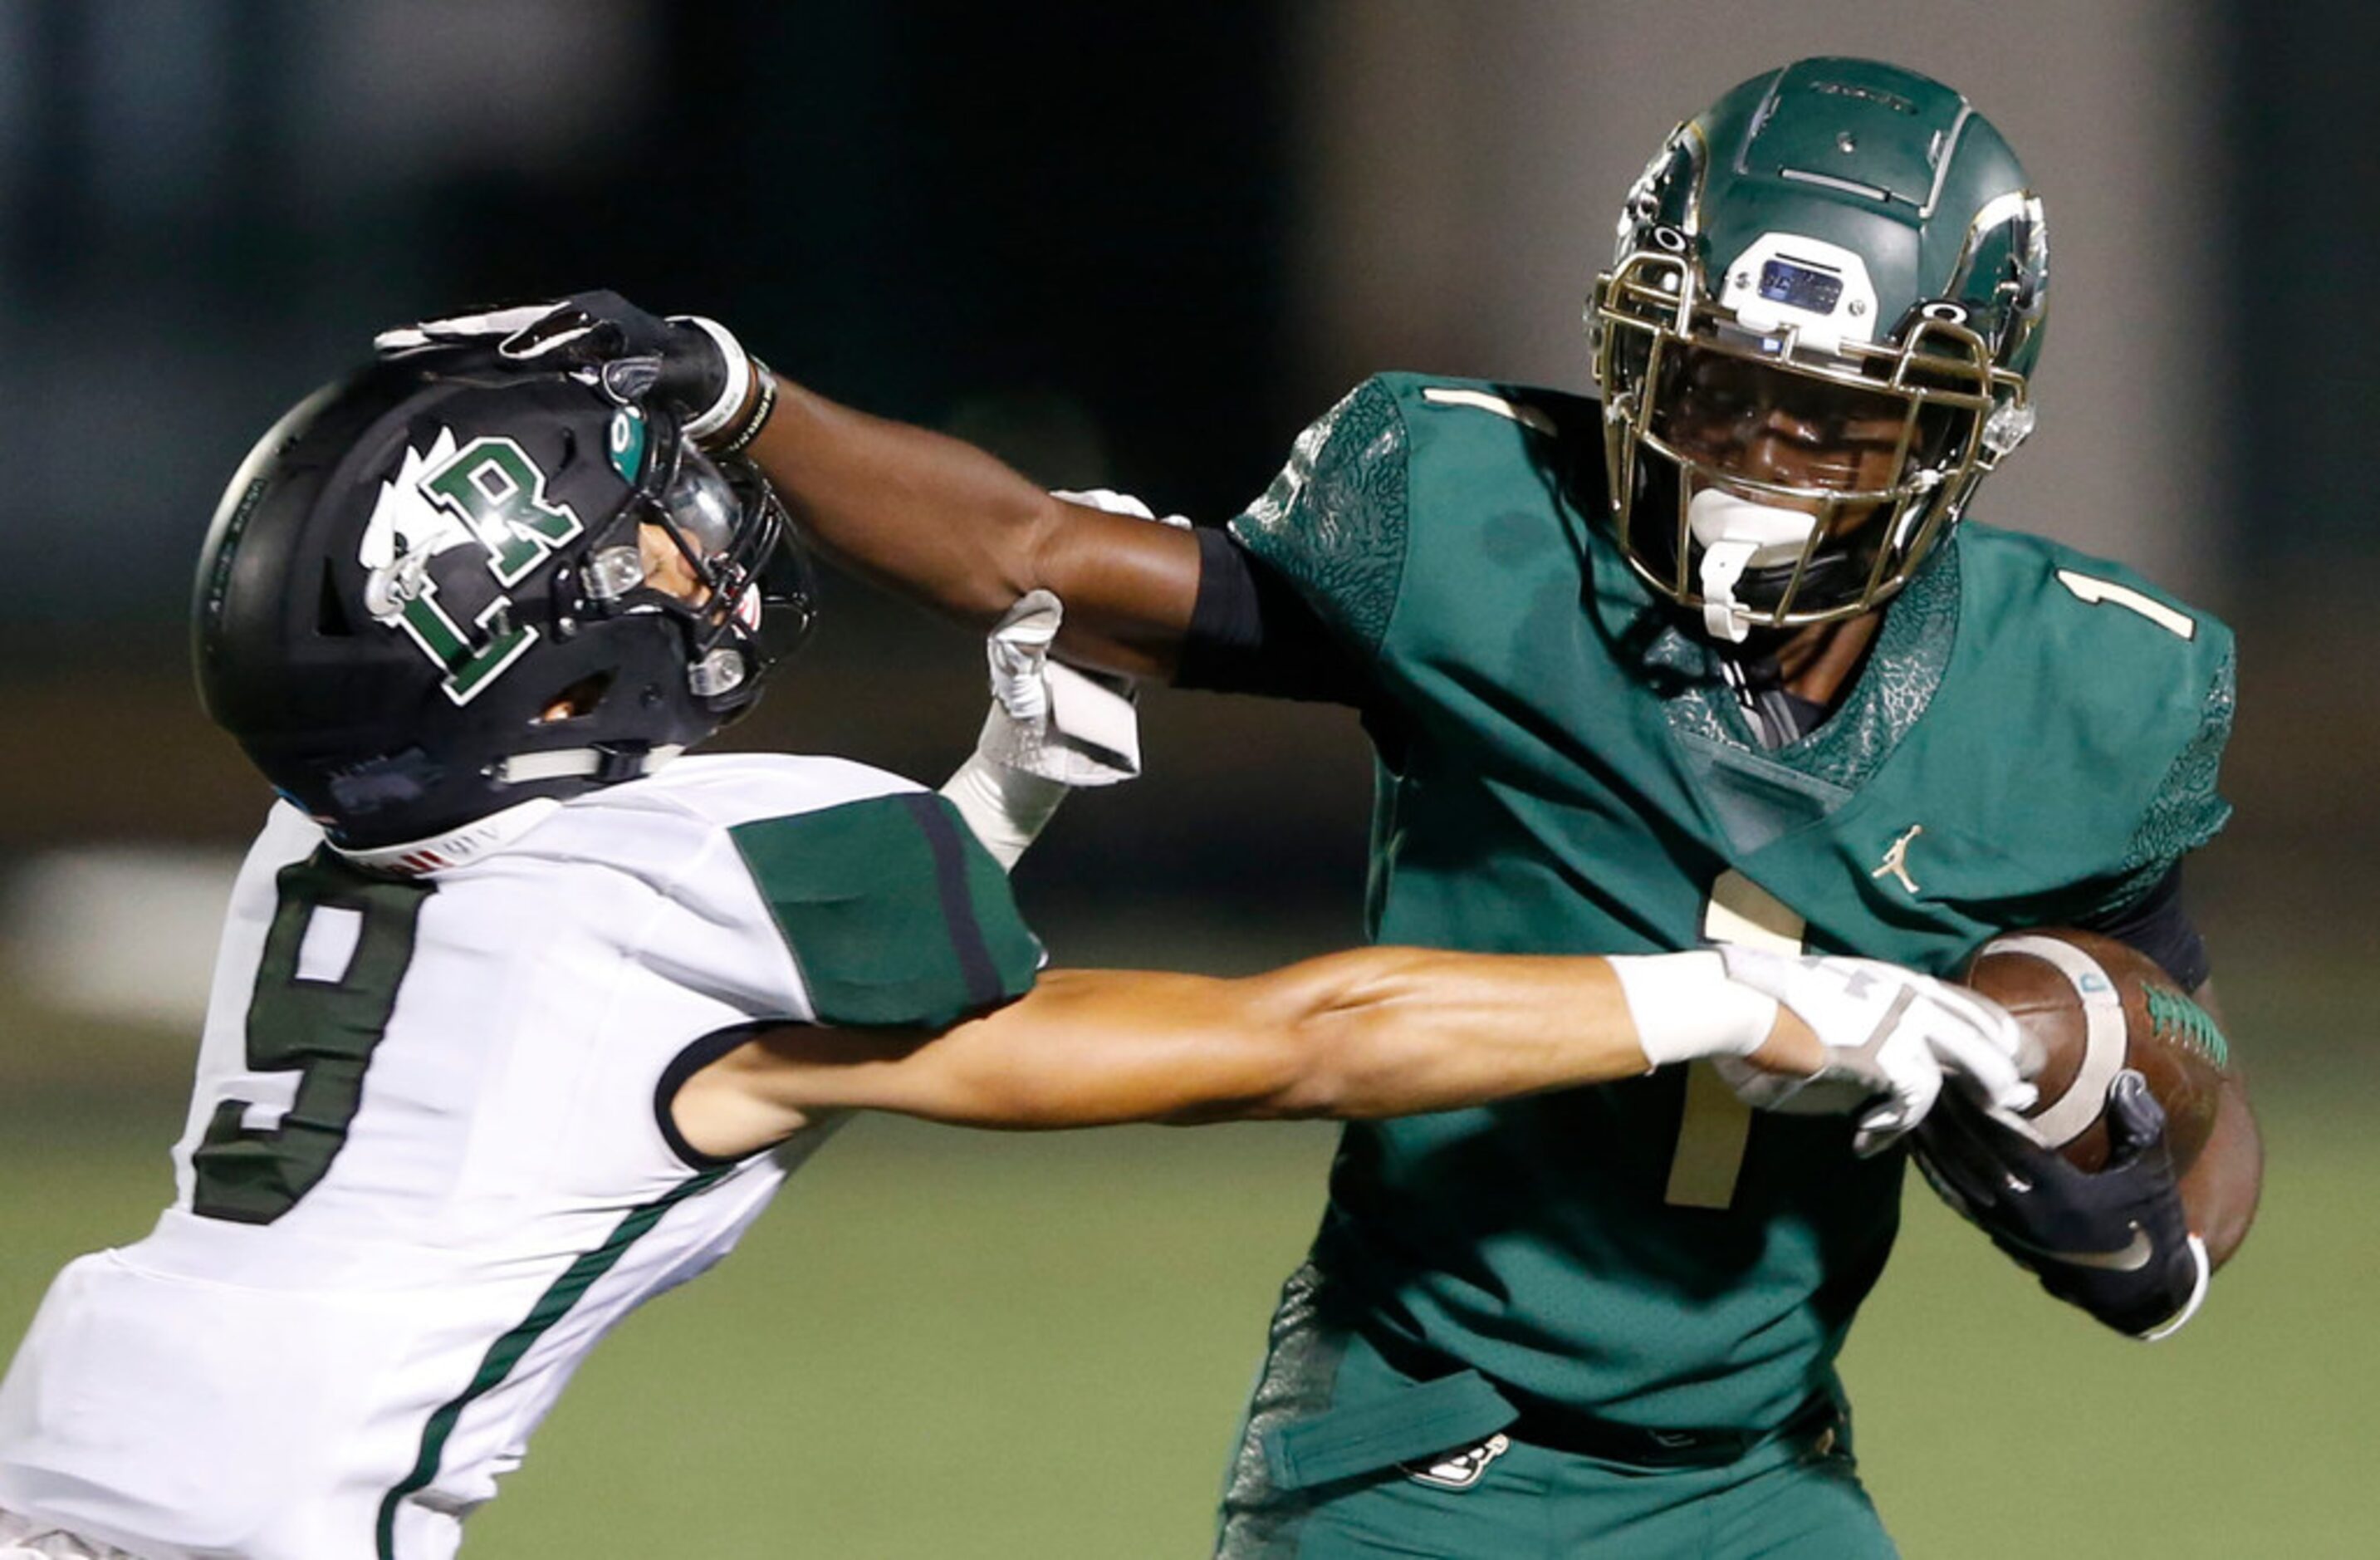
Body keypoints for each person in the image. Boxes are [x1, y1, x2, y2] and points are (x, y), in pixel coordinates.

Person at [420, 55, 2265, 1558]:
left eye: (1828, 424)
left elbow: (2179, 1056)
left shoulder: (2089, 685)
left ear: (1958, 428)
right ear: (1633, 351)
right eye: (1708, 391)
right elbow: (1032, 549)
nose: (1748, 467)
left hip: (1758, 1474)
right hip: (1423, 1445)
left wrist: (2130, 1185)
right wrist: (740, 396)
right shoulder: (1467, 521)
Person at [0, 345, 2030, 1560]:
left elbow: (739, 1034)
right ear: (525, 641)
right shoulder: (715, 854)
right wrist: (1746, 995)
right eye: (624, 552)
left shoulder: (321, 832)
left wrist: (997, 791)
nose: (684, 560)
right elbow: (1287, 1040)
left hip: (61, 1444)